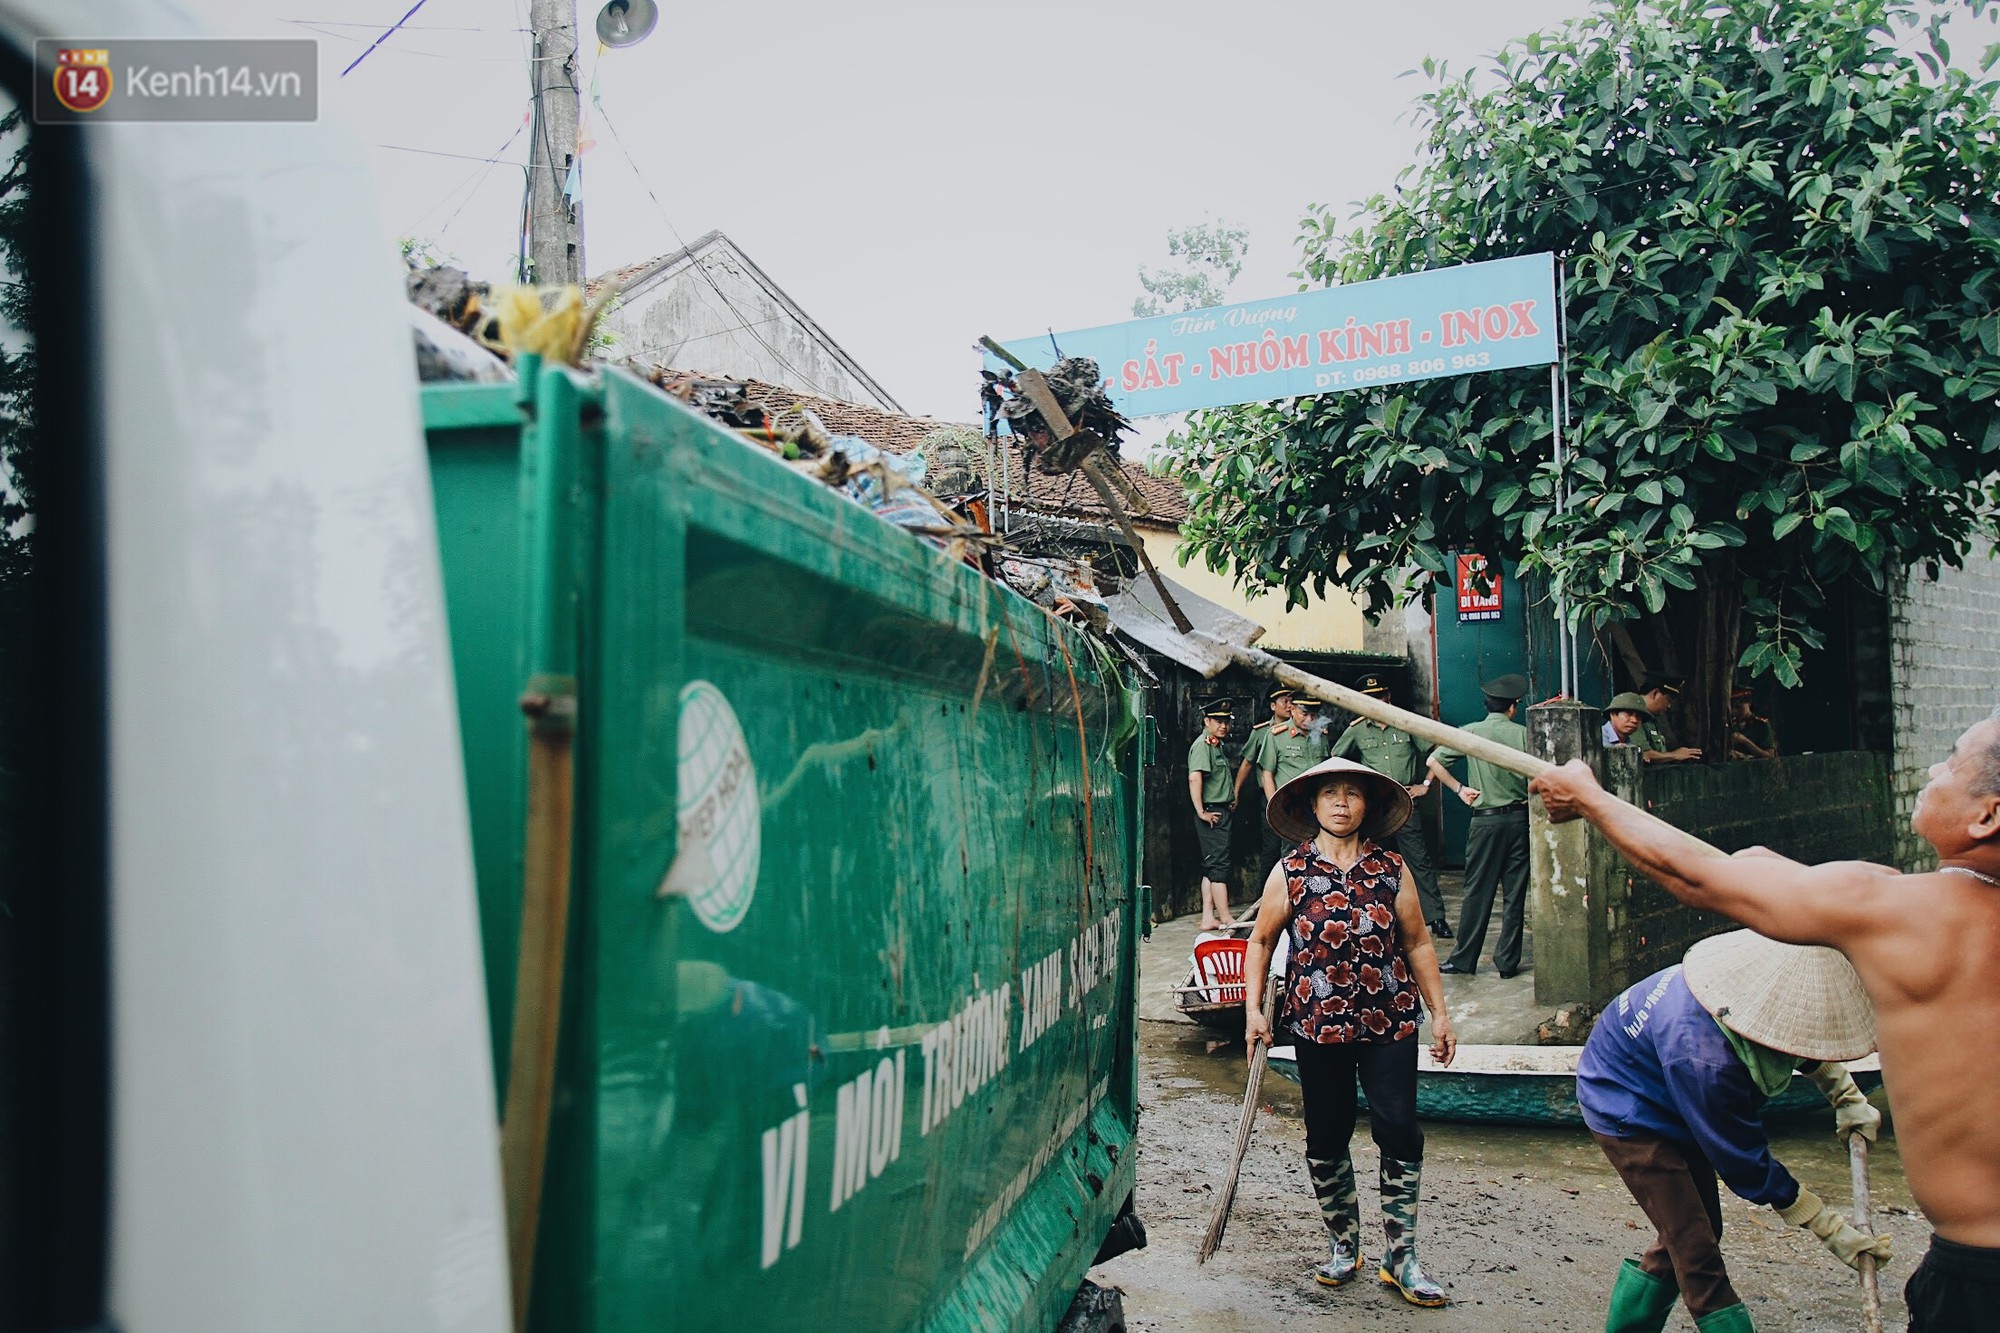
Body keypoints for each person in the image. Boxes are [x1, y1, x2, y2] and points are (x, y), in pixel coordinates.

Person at [1530, 710, 2000, 1332]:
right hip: (1632, 1103)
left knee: (1692, 1247)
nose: (1934, 769)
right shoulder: (1886, 907)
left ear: (1987, 814)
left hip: (1980, 1272)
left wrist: (1590, 796)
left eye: (1950, 758)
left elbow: (1698, 876)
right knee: (1694, 1239)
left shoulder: (1894, 909)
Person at [1581, 930, 1887, 1333]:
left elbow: (1789, 1030)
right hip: (1625, 1105)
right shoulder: (1705, 1060)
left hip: (1663, 1077)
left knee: (1696, 1230)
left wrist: (1845, 1095)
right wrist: (1828, 1227)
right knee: (1697, 1254)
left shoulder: (1748, 991)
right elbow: (1742, 1161)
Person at [1242, 756, 1457, 1306]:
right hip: (1317, 1024)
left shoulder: (1391, 868)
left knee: (1400, 1127)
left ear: (1369, 806)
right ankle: (1344, 1244)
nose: (1341, 802)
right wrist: (1253, 1009)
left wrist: (1441, 1013)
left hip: (1390, 1019)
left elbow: (1417, 944)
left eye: (1352, 793)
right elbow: (1261, 940)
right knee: (1327, 1134)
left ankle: (1401, 1257)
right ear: (1311, 806)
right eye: (1330, 794)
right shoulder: (1290, 872)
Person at [1426, 674, 1531, 978]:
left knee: (1476, 892)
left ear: (1488, 707)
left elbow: (1434, 762)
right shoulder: (1524, 735)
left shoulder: (1471, 732)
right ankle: (1507, 962)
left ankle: (1463, 959)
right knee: (1514, 893)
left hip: (1486, 822)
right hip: (1518, 819)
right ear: (1513, 708)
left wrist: (1459, 789)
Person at [1334, 673, 1452, 939]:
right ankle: (1375, 917)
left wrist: (1426, 783)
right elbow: (1336, 760)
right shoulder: (1357, 730)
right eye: (1369, 699)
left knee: (1418, 860)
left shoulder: (1405, 724)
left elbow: (1437, 752)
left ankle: (1436, 918)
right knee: (1372, 861)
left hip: (1406, 802)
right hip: (1375, 805)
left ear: (1388, 697)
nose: (1376, 703)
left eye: (1379, 697)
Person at [1187, 699, 1239, 930]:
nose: (1223, 725)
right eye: (1218, 721)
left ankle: (1208, 916)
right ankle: (1226, 918)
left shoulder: (1216, 745)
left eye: (1226, 721)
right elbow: (1194, 777)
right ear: (1206, 721)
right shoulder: (1203, 745)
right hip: (1212, 812)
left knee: (1212, 865)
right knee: (1219, 866)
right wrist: (1201, 811)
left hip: (1219, 810)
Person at [1237, 690, 1293, 872]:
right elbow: (1246, 763)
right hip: (1270, 797)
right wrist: (1236, 791)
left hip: (1297, 799)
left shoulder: (1303, 730)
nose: (1289, 705)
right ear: (1272, 706)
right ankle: (1265, 896)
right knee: (1271, 848)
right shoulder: (1261, 732)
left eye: (1292, 701)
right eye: (1284, 701)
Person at [1640, 676, 1702, 763]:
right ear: (1655, 693)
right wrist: (1675, 755)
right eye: (1668, 700)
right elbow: (1644, 754)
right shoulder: (1635, 718)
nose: (1669, 706)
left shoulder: (1652, 719)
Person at [1728, 689, 1776, 761]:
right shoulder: (1731, 725)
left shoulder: (1761, 725)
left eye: (1739, 707)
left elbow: (1769, 755)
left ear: (1749, 703)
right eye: (1733, 708)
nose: (1735, 711)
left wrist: (1744, 740)